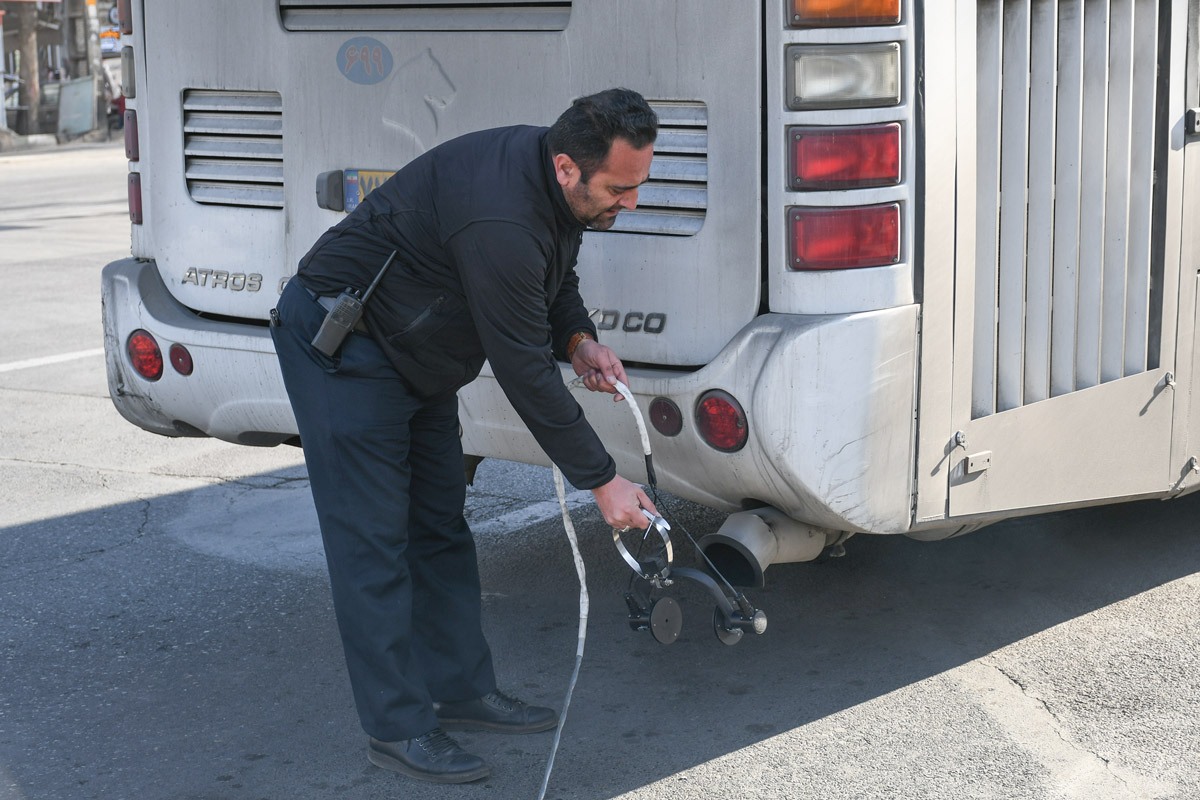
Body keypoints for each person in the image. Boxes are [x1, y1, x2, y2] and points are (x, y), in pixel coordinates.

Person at [270, 87, 660, 785]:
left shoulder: (553, 183)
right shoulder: (501, 215)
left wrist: (576, 339)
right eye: (619, 189)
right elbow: (518, 369)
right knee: (374, 543)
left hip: (414, 353)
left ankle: (463, 690)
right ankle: (396, 727)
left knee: (441, 526)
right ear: (569, 167)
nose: (628, 202)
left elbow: (554, 276)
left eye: (636, 186)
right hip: (345, 348)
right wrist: (601, 480)